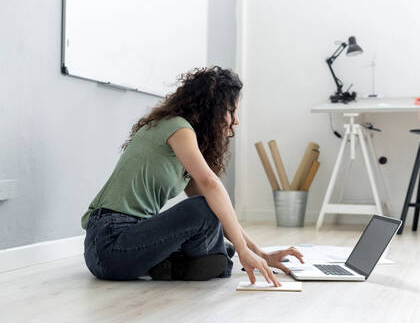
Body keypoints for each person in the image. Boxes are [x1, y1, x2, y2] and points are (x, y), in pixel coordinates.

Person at [81, 66, 304, 286]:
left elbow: (215, 208)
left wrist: (261, 254)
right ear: (211, 109)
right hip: (109, 243)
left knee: (214, 222)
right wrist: (244, 252)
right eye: (230, 111)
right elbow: (210, 186)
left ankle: (172, 265)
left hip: (130, 244)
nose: (235, 120)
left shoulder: (185, 145)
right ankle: (197, 258)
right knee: (206, 215)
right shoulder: (177, 127)